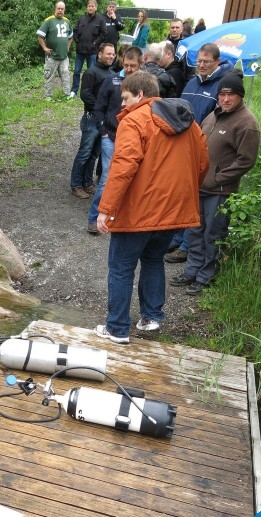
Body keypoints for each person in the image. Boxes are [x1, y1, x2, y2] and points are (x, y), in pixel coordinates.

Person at [94, 71, 209, 343]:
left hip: (139, 211)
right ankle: (152, 318)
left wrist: (105, 208)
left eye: (125, 98)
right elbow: (202, 164)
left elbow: (122, 167)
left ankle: (117, 328)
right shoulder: (189, 123)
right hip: (173, 212)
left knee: (121, 267)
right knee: (153, 259)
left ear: (141, 95)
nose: (122, 105)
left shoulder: (134, 120)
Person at [170, 70, 260, 295]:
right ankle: (192, 270)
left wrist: (218, 178)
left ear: (240, 96)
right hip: (198, 186)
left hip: (219, 192)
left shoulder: (247, 123)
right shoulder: (215, 114)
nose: (226, 99)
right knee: (194, 232)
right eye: (222, 94)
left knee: (213, 235)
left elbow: (246, 160)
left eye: (231, 95)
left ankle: (205, 276)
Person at [166, 42, 234, 264]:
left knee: (194, 199)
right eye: (199, 61)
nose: (201, 65)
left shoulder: (220, 86)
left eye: (206, 61)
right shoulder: (192, 82)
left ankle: (187, 245)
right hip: (183, 146)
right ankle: (176, 237)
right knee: (181, 195)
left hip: (203, 148)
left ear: (217, 61)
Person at [87, 45, 142, 233]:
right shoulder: (111, 80)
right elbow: (99, 107)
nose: (128, 69)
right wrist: (102, 130)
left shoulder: (145, 85)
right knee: (107, 178)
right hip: (110, 136)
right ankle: (94, 218)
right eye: (126, 65)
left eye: (133, 66)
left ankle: (121, 217)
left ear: (140, 65)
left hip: (134, 140)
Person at [70, 42, 115, 200]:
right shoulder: (91, 72)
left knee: (94, 154)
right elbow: (85, 95)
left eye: (113, 54)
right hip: (91, 119)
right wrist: (99, 109)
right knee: (84, 153)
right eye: (108, 54)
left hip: (102, 122)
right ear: (100, 54)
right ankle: (76, 185)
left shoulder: (110, 73)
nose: (111, 56)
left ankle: (88, 183)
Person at [37, 2, 73, 101]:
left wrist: (68, 47)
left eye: (62, 9)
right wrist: (44, 48)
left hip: (64, 56)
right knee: (49, 76)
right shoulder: (49, 21)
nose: (60, 10)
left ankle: (67, 94)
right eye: (59, 8)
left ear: (64, 10)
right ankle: (48, 96)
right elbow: (40, 35)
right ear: (55, 9)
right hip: (52, 56)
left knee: (66, 76)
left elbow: (71, 36)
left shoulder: (67, 21)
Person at [71, 0, 107, 96]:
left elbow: (103, 34)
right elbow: (74, 31)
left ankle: (90, 91)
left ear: (96, 7)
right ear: (87, 7)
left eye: (92, 6)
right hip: (80, 51)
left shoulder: (100, 20)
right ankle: (73, 91)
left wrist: (95, 43)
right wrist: (77, 41)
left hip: (92, 51)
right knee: (76, 72)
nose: (90, 8)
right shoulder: (81, 18)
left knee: (91, 73)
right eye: (89, 6)